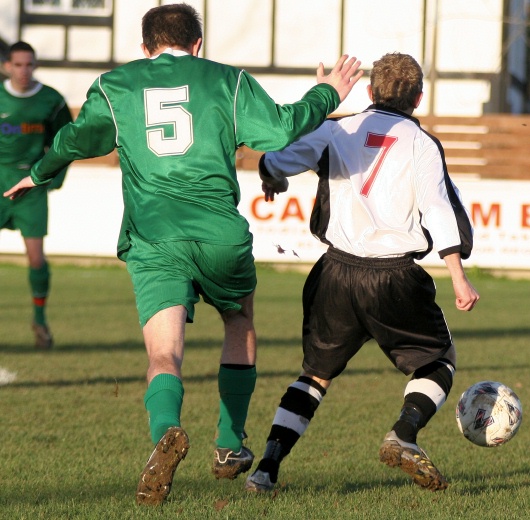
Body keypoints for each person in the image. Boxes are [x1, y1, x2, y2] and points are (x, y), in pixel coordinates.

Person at [3, 3, 363, 506]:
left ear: (146, 46)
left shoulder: (116, 85)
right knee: (239, 322)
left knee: (163, 353)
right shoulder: (228, 82)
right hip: (219, 235)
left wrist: (38, 173)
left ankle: (166, 432)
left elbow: (76, 139)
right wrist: (328, 93)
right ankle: (229, 443)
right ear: (197, 44)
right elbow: (281, 129)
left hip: (154, 239)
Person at [245, 52, 480, 494]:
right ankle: (404, 434)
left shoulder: (336, 127)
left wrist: (272, 177)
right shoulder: (421, 143)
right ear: (419, 97)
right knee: (439, 361)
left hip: (334, 274)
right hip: (394, 279)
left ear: (370, 92)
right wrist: (458, 275)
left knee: (314, 375)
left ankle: (266, 470)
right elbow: (438, 208)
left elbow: (279, 158)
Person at [0, 41, 72, 349]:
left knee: (35, 258)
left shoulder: (51, 100)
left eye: (29, 64)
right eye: (17, 64)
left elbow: (67, 142)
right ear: (6, 66)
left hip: (30, 184)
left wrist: (53, 177)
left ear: (36, 65)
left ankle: (40, 322)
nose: (23, 70)